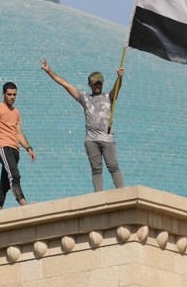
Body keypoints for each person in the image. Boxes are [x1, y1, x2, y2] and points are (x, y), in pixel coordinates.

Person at [41, 58, 124, 192]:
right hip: (91, 139)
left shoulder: (108, 97)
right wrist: (49, 71)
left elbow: (116, 89)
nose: (97, 86)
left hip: (107, 138)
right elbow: (65, 84)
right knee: (96, 169)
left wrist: (119, 78)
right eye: (94, 84)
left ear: (102, 84)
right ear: (89, 84)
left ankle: (122, 193)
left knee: (113, 166)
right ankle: (99, 196)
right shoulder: (85, 98)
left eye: (99, 84)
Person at [0, 81, 36, 210]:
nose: (12, 97)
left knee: (5, 184)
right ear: (3, 94)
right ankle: (25, 206)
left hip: (15, 150)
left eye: (14, 95)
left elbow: (18, 133)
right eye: (9, 94)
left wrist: (28, 148)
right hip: (3, 147)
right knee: (14, 176)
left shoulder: (16, 112)